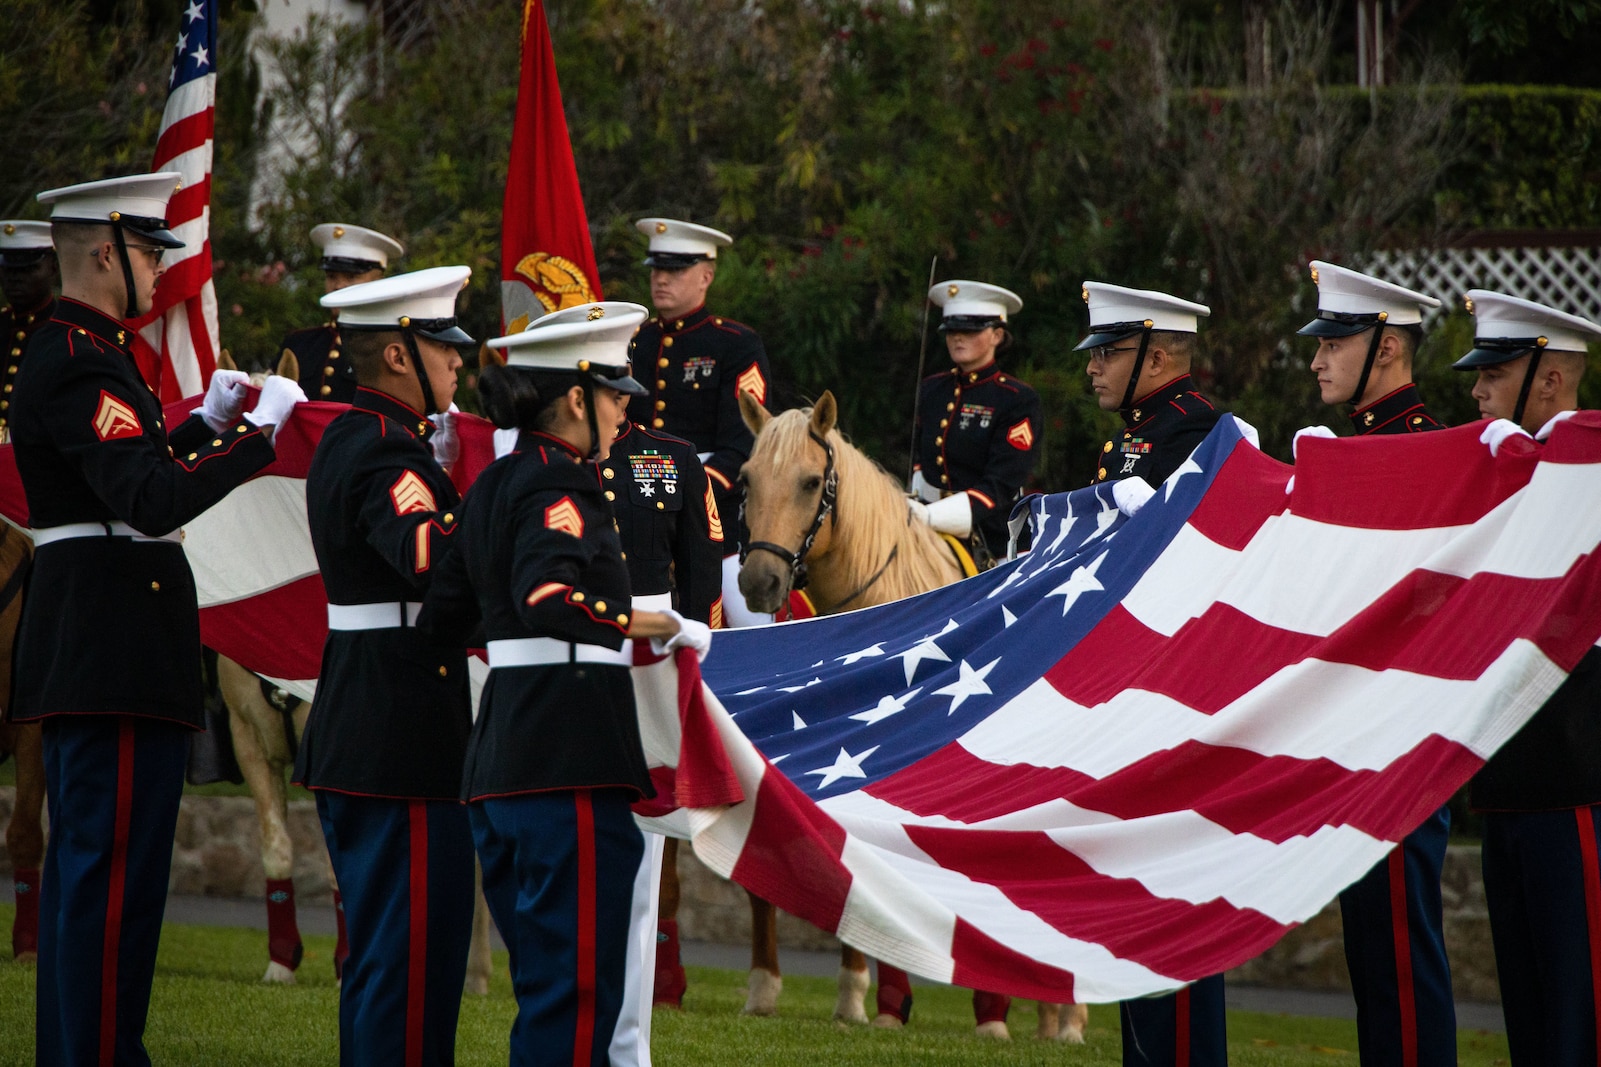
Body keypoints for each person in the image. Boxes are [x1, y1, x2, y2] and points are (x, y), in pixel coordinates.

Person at [10, 172, 300, 1066]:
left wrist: (201, 427)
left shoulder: (86, 351)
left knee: (98, 884)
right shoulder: (81, 355)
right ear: (104, 252)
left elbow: (123, 470)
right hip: (112, 649)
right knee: (110, 889)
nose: (159, 268)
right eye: (145, 250)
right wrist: (259, 441)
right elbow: (142, 501)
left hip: (109, 645)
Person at [419, 300, 711, 1067]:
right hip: (568, 767)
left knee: (547, 988)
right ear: (576, 398)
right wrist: (653, 624)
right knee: (576, 996)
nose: (625, 409)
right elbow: (547, 596)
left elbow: (444, 615)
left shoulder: (490, 484)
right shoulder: (566, 486)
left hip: (500, 764)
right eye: (615, 393)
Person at [291, 266, 477, 1066]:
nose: (458, 361)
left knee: (387, 964)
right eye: (442, 345)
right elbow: (431, 562)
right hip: (399, 734)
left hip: (374, 722)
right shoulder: (386, 453)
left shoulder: (359, 436)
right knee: (406, 967)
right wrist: (497, 509)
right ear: (399, 355)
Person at [1297, 263, 1457, 1067]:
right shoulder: (1357, 449)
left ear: (1387, 346)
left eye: (1335, 341)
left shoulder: (1423, 447)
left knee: (1398, 944)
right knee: (1372, 954)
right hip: (1354, 735)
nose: (1317, 359)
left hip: (1395, 736)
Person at [1077, 280, 1227, 1066]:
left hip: (1174, 692)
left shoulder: (1200, 433)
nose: (1093, 369)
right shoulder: (1135, 437)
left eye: (1107, 353)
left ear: (1157, 356)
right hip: (1131, 687)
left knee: (1171, 904)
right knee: (1136, 906)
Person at [1453, 289, 1601, 1065]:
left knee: (1578, 1007)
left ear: (1550, 378)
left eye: (1497, 370)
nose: (1477, 388)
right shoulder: (1507, 466)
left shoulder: (1585, 467)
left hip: (1572, 772)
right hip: (1509, 773)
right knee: (1528, 1012)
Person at [605, 413, 725, 1025]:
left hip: (655, 653)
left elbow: (703, 564)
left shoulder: (673, 456)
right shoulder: (540, 458)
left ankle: (639, 1000)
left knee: (646, 846)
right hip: (570, 649)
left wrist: (698, 647)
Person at [627, 217, 773, 625]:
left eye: (675, 270)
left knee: (752, 629)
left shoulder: (735, 345)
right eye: (657, 269)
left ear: (706, 275)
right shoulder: (635, 342)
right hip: (636, 516)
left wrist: (682, 493)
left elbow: (744, 446)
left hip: (718, 524)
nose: (661, 279)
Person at [908, 280, 1041, 563]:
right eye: (952, 330)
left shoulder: (1016, 399)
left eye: (970, 330)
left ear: (997, 335)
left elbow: (1003, 483)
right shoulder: (932, 389)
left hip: (992, 539)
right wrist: (918, 504)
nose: (958, 338)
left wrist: (933, 515)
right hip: (927, 527)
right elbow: (921, 456)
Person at [1301, 261, 1443, 435]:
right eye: (1321, 345)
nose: (1316, 364)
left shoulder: (1427, 445)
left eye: (1332, 346)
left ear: (1385, 351)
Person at [277, 223, 404, 402]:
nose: (338, 286)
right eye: (331, 277)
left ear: (378, 281)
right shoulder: (300, 344)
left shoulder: (390, 347)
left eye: (351, 277)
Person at [0, 220, 58, 445]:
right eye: (8, 270)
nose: (15, 278)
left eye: (27, 269)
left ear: (53, 267)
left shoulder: (66, 331)